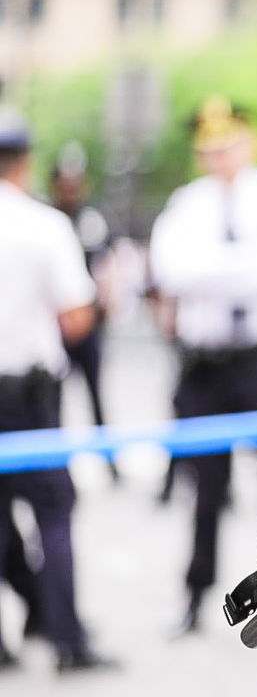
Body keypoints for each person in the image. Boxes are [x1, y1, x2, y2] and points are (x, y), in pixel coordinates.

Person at [149, 96, 257, 635]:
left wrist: (214, 271)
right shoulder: (185, 205)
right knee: (204, 487)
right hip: (205, 363)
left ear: (249, 142)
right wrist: (243, 268)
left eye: (229, 146)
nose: (220, 157)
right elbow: (173, 272)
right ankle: (195, 597)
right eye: (210, 149)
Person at [0, 110, 116, 672]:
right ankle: (67, 639)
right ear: (24, 164)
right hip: (27, 396)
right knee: (53, 512)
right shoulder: (44, 225)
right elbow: (74, 318)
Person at [49, 146, 119, 483]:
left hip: (87, 323)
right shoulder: (47, 218)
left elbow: (107, 265)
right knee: (51, 399)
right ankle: (55, 465)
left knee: (95, 395)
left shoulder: (92, 219)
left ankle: (110, 462)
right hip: (55, 325)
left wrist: (104, 305)